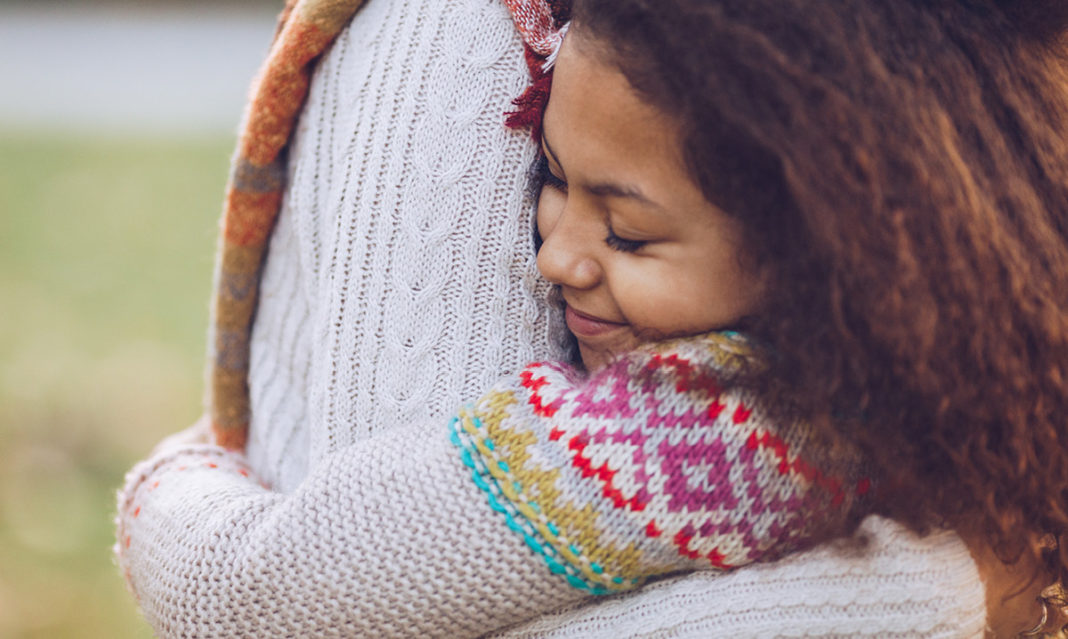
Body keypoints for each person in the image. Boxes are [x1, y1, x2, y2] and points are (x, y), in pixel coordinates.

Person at [115, 0, 1068, 636]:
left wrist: (179, 465)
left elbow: (241, 594)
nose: (556, 257)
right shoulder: (935, 395)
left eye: (629, 233)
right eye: (552, 180)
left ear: (822, 250)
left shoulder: (660, 445)